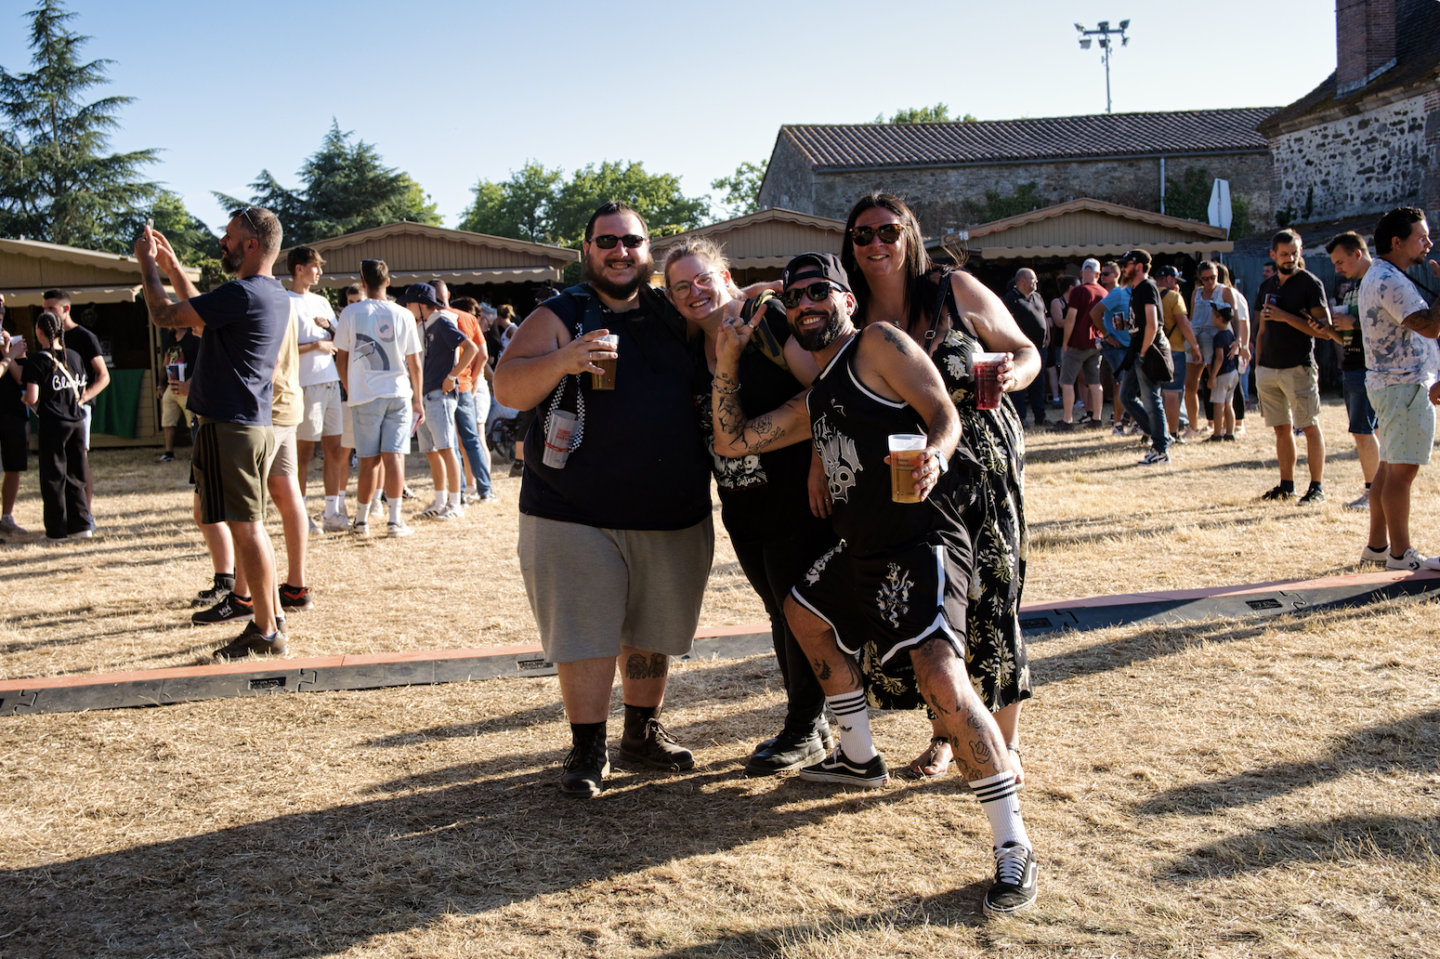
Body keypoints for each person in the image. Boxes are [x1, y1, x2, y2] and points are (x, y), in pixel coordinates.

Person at [713, 251, 1039, 917]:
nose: (806, 303)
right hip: (861, 549)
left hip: (923, 538)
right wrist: (726, 359)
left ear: (847, 298)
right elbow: (736, 440)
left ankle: (1013, 845)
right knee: (802, 608)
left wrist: (937, 456)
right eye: (794, 296)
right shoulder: (822, 390)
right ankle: (858, 756)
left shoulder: (877, 344)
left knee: (941, 678)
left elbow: (943, 412)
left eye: (818, 290)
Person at [494, 201, 713, 798]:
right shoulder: (561, 313)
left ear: (648, 250)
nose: (620, 252)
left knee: (651, 627)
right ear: (586, 250)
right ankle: (587, 746)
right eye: (606, 242)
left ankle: (642, 733)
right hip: (570, 508)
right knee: (586, 631)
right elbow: (508, 387)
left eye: (632, 242)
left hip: (671, 508)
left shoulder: (675, 313)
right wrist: (565, 359)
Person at [837, 192, 1036, 785]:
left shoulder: (954, 290)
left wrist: (1010, 373)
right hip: (907, 473)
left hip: (983, 465)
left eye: (888, 231)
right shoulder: (855, 316)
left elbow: (1024, 351)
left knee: (993, 595)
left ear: (909, 234)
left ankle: (1005, 743)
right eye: (862, 235)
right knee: (930, 602)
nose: (876, 244)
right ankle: (947, 733)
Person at [662, 236, 836, 774]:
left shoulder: (765, 322)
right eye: (681, 286)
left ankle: (804, 729)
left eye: (702, 278)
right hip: (740, 501)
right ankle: (817, 720)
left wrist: (818, 463)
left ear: (725, 274)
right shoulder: (694, 344)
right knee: (778, 611)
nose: (695, 292)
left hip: (794, 495)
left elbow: (826, 388)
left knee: (798, 608)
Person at [134, 208, 290, 659]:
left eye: (229, 236)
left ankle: (264, 631)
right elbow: (202, 317)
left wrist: (145, 263)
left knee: (246, 530)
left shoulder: (241, 294)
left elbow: (165, 314)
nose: (222, 242)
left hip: (232, 426)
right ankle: (271, 617)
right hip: (248, 424)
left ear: (251, 245)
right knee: (252, 528)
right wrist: (173, 267)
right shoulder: (268, 294)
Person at [1356, 207, 1440, 571]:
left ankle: (1378, 546)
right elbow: (1430, 327)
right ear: (1397, 242)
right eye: (1421, 237)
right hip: (1404, 386)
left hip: (1392, 385)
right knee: (1401, 474)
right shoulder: (1391, 280)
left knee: (1389, 470)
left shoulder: (1384, 274)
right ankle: (1400, 554)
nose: (1428, 243)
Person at [334, 259, 424, 538]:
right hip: (398, 392)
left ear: (362, 283)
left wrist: (351, 389)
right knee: (394, 457)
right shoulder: (404, 315)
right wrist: (418, 401)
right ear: (388, 281)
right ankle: (395, 521)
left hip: (365, 394)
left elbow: (341, 359)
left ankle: (361, 522)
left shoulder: (351, 313)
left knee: (368, 461)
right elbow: (415, 363)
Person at [1255, 230, 1335, 504]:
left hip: (1298, 366)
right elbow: (1262, 328)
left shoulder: (1310, 284)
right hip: (1268, 368)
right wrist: (1258, 363)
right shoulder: (1267, 286)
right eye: (1285, 254)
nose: (1290, 258)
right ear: (1273, 255)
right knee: (1281, 428)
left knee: (1309, 426)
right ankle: (1286, 485)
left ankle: (1316, 487)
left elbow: (1325, 331)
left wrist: (1285, 317)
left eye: (1295, 253)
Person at [399, 283, 477, 521]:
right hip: (424, 395)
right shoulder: (424, 324)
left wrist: (452, 376)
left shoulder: (442, 321)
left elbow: (471, 348)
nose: (407, 307)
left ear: (422, 304)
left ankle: (455, 503)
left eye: (410, 303)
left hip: (438, 395)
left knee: (445, 448)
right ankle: (441, 500)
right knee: (431, 451)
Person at [286, 245, 347, 535]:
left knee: (335, 448)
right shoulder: (284, 302)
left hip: (330, 381)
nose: (320, 272)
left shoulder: (322, 302)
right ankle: (300, 515)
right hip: (303, 385)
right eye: (315, 266)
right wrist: (315, 345)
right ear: (299, 269)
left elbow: (341, 339)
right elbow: (279, 349)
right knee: (303, 453)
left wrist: (332, 332)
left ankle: (332, 512)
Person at [21, 312, 93, 542]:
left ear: (38, 331)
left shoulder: (37, 360)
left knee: (53, 477)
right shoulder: (74, 356)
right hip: (77, 421)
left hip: (54, 423)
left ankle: (56, 531)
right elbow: (81, 390)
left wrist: (26, 401)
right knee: (76, 474)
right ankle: (81, 525)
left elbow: (32, 397)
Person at [1326, 232, 1381, 510]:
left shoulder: (1381, 280)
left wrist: (1354, 325)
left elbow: (1393, 326)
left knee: (1363, 431)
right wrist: (1327, 330)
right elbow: (1349, 336)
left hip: (1371, 369)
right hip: (1354, 365)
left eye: (1339, 262)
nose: (1336, 269)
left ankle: (1374, 492)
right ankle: (1379, 490)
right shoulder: (1352, 288)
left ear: (1357, 254)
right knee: (1370, 431)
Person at [41, 290, 108, 517]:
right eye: (44, 309)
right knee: (60, 461)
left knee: (80, 458)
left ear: (65, 309)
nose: (46, 313)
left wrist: (84, 398)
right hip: (56, 410)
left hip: (79, 408)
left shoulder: (84, 336)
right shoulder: (46, 338)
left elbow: (103, 375)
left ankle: (85, 514)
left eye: (51, 309)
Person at [437, 286, 495, 505]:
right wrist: (474, 376)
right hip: (464, 385)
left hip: (443, 387)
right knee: (472, 440)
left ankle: (459, 492)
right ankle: (485, 490)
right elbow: (483, 354)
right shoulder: (468, 318)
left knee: (451, 443)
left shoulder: (433, 319)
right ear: (448, 295)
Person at [1116, 250, 1172, 465]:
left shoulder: (1147, 287)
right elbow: (1143, 323)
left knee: (1151, 400)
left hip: (1147, 351)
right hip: (1138, 349)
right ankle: (1161, 436)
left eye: (1125, 265)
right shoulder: (1137, 289)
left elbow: (1153, 323)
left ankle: (1160, 450)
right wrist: (1128, 326)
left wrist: (1143, 352)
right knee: (1126, 396)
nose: (1122, 269)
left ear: (1138, 266)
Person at [1186, 262, 1240, 439]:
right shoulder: (1196, 292)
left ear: (1218, 274)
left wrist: (1239, 340)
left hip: (1216, 338)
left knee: (1216, 383)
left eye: (1213, 277)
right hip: (1196, 337)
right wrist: (1192, 342)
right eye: (1205, 278)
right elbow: (1192, 318)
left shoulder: (1225, 291)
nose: (1209, 282)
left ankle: (1223, 427)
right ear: (1199, 278)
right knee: (1191, 384)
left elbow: (1236, 317)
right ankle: (1192, 427)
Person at [1056, 258, 1105, 429]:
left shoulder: (1078, 291)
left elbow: (1071, 318)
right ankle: (1097, 418)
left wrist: (1065, 342)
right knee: (1095, 382)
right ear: (1098, 274)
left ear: (1082, 273)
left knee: (1067, 382)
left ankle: (1067, 419)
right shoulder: (1104, 292)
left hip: (1077, 342)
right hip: (1096, 343)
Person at [1156, 265, 1199, 438]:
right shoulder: (1174, 297)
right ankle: (1173, 433)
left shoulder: (1144, 294)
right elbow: (1184, 323)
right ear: (1168, 279)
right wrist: (1195, 346)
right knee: (1172, 393)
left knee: (1150, 394)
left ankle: (1149, 431)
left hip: (1150, 350)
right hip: (1173, 349)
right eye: (1174, 280)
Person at [1090, 261, 1133, 434]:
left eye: (1106, 274)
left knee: (1133, 384)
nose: (1102, 277)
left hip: (1132, 345)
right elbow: (1094, 312)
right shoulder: (1117, 293)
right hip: (1117, 346)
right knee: (1121, 383)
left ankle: (1133, 421)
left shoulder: (1133, 292)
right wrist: (1107, 335)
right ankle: (1117, 424)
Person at [1001, 268, 1048, 426]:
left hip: (1040, 349)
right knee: (1020, 383)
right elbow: (1005, 324)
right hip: (1019, 350)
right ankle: (1020, 418)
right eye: (1033, 279)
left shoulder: (1038, 297)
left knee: (1039, 383)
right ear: (1022, 280)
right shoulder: (1010, 299)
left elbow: (1044, 318)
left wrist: (1047, 335)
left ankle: (1040, 416)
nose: (1036, 282)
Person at [0, 301, 31, 538]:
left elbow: (21, 379)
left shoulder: (10, 341)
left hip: (13, 411)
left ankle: (7, 518)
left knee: (14, 466)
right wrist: (9, 355)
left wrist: (8, 354)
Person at [1214, 264, 1250, 434]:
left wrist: (1242, 345)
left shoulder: (1234, 294)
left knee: (1235, 388)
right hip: (1220, 345)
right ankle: (1221, 424)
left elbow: (1243, 322)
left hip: (1232, 347)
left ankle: (1239, 423)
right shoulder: (1210, 294)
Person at [156, 325, 200, 461]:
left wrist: (193, 380)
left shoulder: (192, 339)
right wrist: (160, 385)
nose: (168, 326)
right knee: (168, 420)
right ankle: (169, 453)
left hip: (186, 386)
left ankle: (196, 453)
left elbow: (201, 360)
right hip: (171, 385)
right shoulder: (170, 343)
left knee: (192, 420)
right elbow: (165, 364)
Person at [1204, 305, 1240, 441]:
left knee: (1218, 405)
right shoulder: (1230, 334)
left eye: (1213, 316)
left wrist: (1212, 377)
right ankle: (1229, 433)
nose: (1212, 318)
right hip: (1233, 372)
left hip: (1222, 374)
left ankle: (1217, 433)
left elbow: (1219, 358)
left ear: (1219, 319)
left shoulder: (1218, 337)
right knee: (1228, 404)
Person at [1047, 276, 1077, 406]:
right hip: (1062, 343)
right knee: (1064, 373)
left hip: (1078, 342)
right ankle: (1061, 399)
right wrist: (1077, 319)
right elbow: (1059, 323)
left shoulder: (1078, 301)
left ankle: (1079, 400)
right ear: (1072, 288)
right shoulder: (1057, 302)